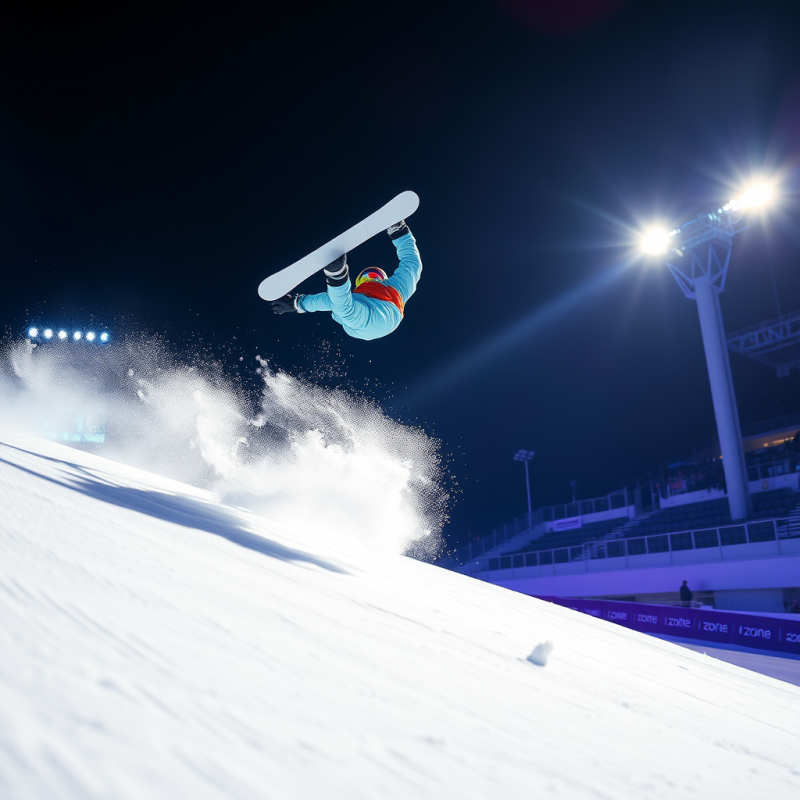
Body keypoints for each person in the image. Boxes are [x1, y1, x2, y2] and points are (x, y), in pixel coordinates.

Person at [270, 220, 421, 341]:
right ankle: (337, 274)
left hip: (384, 313)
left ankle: (337, 273)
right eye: (366, 276)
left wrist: (297, 304)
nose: (370, 278)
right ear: (359, 282)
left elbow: (412, 265)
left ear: (383, 277)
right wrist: (400, 233)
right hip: (366, 322)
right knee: (342, 305)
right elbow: (412, 264)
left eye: (374, 274)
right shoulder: (357, 296)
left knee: (341, 306)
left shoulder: (395, 287)